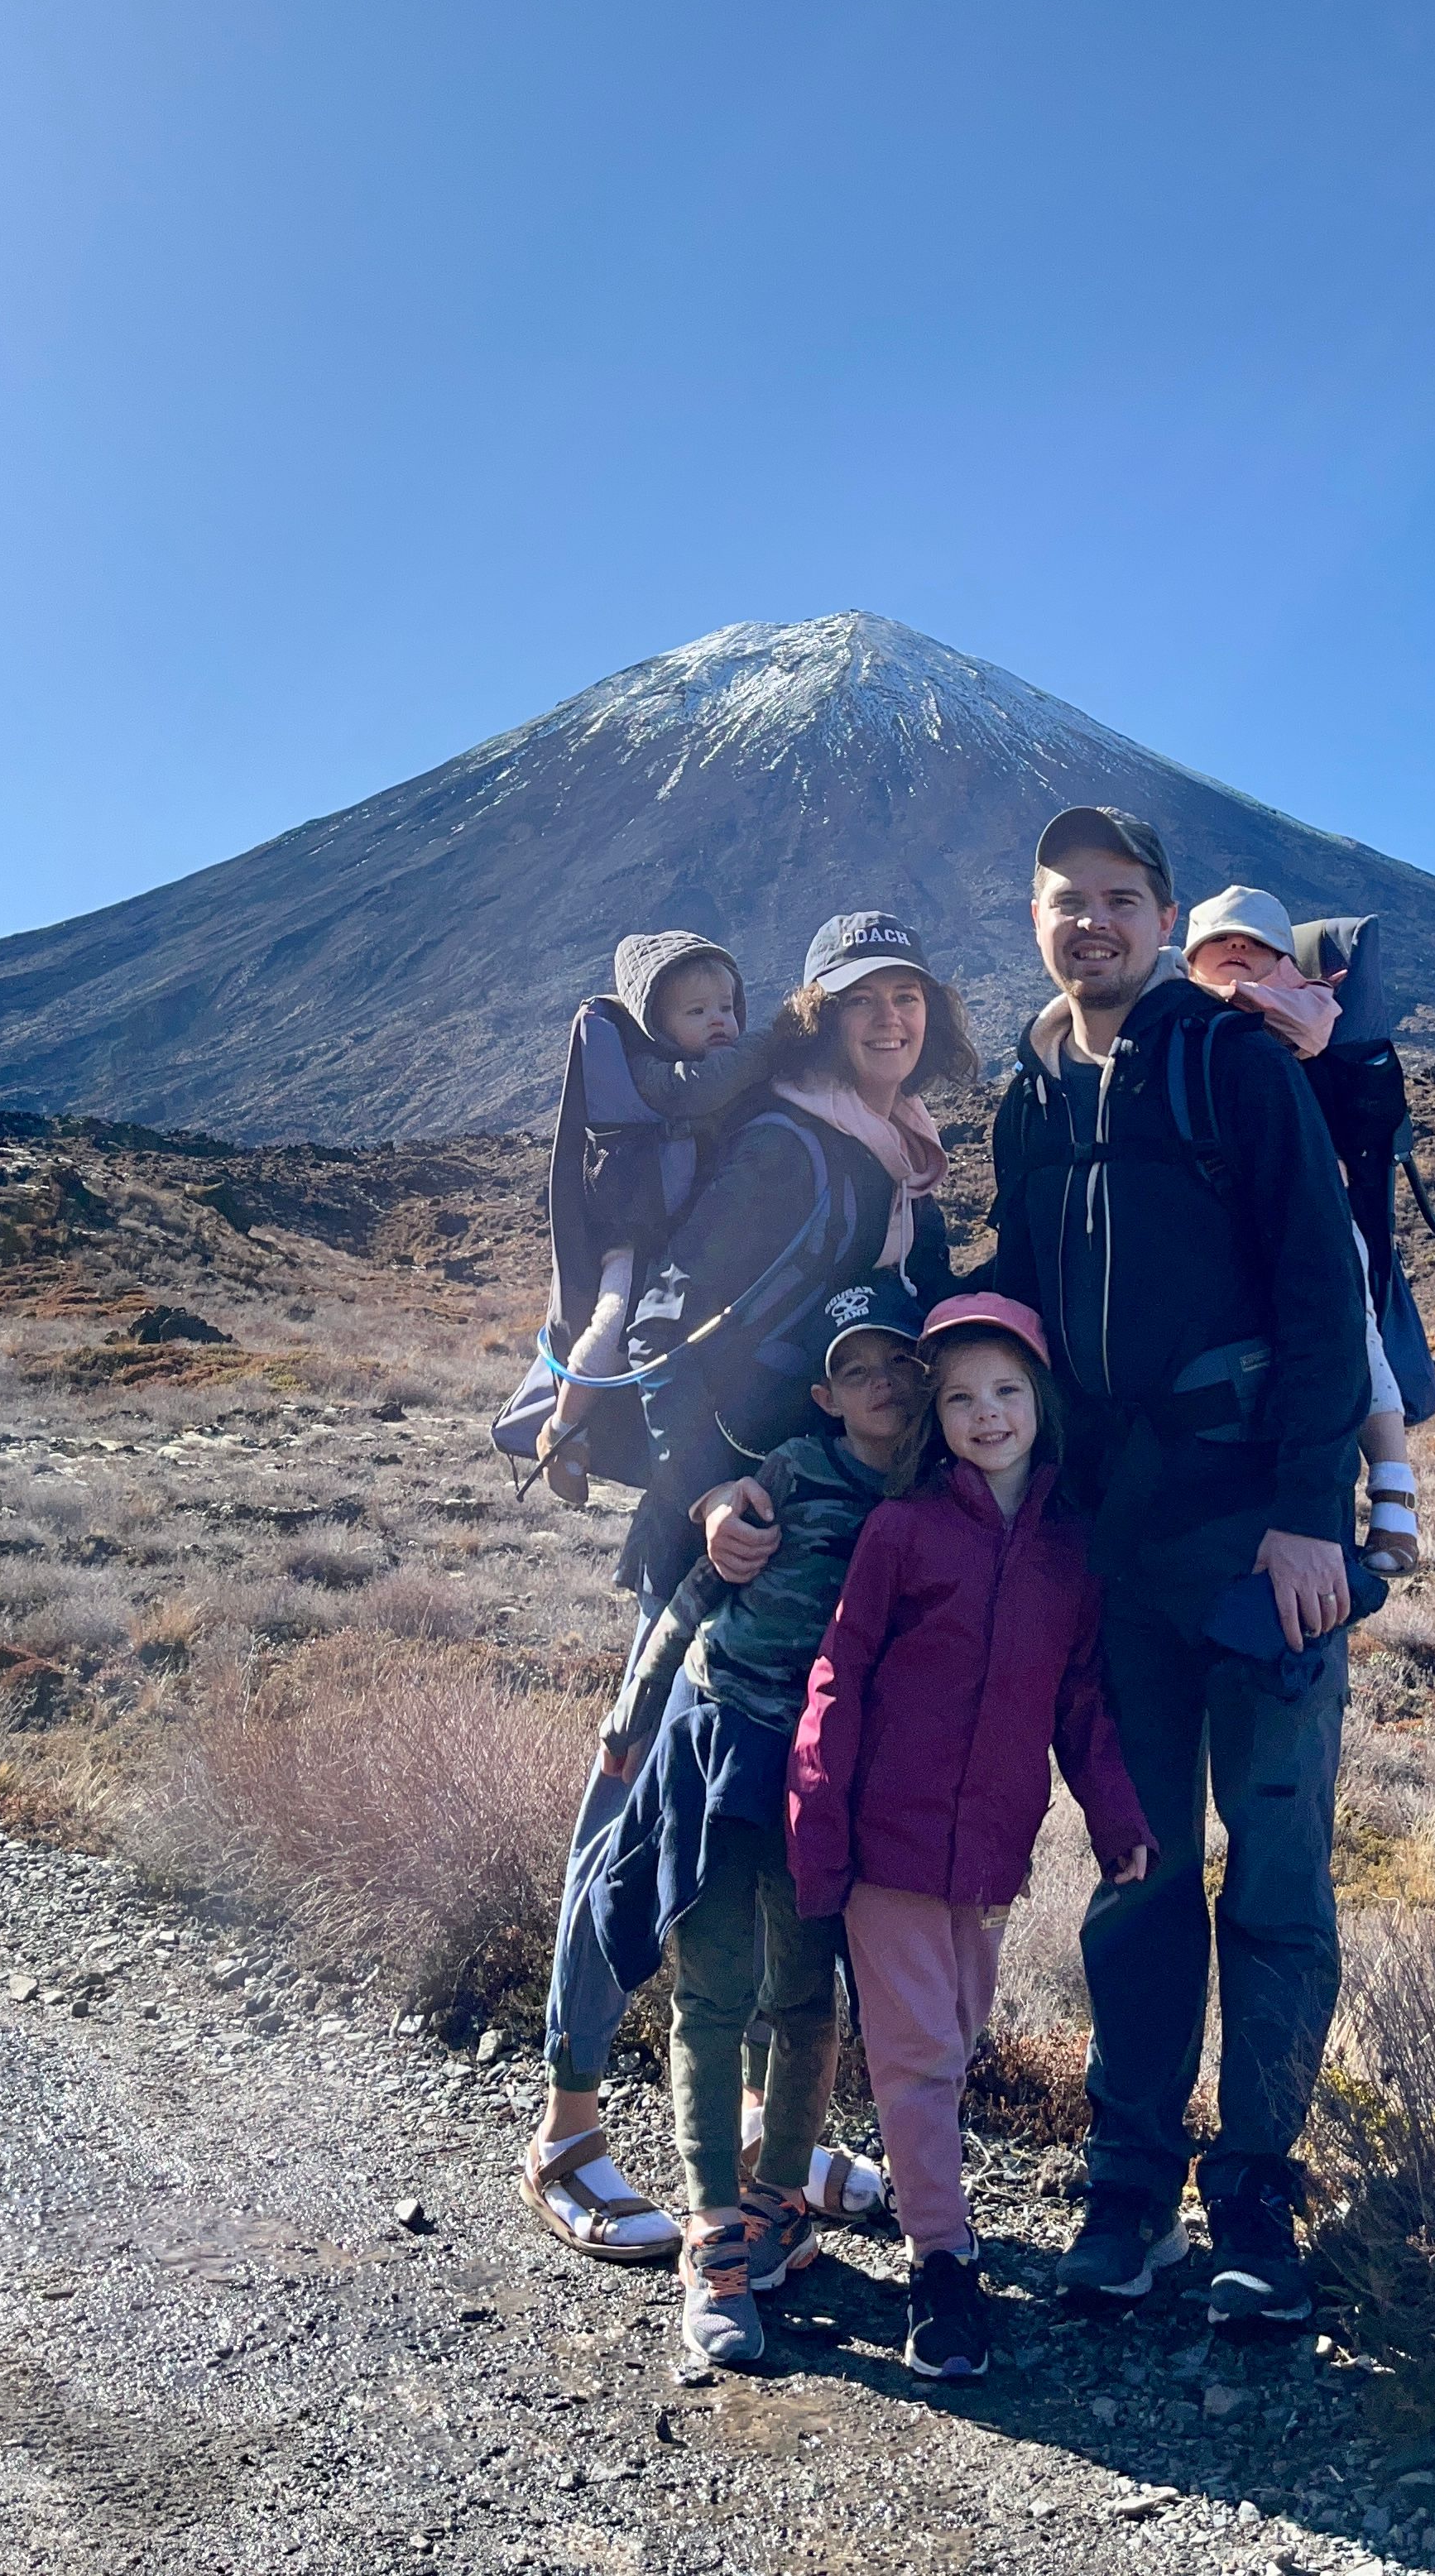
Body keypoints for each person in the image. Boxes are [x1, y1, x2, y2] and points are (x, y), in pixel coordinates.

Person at [521, 909, 975, 2265]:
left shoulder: (892, 1160)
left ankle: (784, 2144)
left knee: (786, 1848)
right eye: (861, 999)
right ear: (818, 1014)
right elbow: (666, 1319)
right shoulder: (788, 1143)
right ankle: (564, 2130)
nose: (889, 1017)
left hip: (815, 1554)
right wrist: (710, 1487)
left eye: (907, 995)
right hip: (724, 1537)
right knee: (640, 1815)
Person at [988, 809, 1374, 2324]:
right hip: (1111, 1551)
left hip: (1256, 1542)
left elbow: (1315, 1289)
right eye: (1064, 902)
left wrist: (1305, 1512)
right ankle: (1128, 2184)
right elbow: (1010, 1303)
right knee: (1138, 1869)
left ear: (1159, 920)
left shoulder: (1229, 1065)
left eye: (1118, 900)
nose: (1091, 924)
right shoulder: (1027, 1093)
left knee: (1272, 1877)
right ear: (1035, 920)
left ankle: (1257, 2199)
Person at [789, 1294, 1151, 2383]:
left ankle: (922, 2201)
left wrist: (1115, 1814)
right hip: (889, 1845)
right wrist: (818, 1818)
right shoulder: (903, 1533)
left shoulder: (1068, 1550)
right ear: (934, 1417)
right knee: (920, 2058)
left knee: (953, 2045)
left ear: (1039, 1400)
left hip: (992, 1850)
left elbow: (1082, 1700)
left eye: (1005, 1392)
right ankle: (942, 2268)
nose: (985, 1415)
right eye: (959, 1398)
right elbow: (839, 1674)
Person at [587, 1278, 930, 2369]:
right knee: (714, 1992)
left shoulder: (933, 1497)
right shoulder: (787, 1478)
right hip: (730, 1746)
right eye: (859, 1368)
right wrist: (637, 1709)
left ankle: (781, 2201)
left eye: (900, 1364)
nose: (884, 1383)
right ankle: (715, 2241)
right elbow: (694, 1589)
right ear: (826, 1396)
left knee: (806, 1998)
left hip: (837, 1778)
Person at [1182, 890, 1420, 1576]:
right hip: (1217, 1216)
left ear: (1284, 959)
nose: (1234, 950)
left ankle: (1394, 1487)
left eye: (1252, 944)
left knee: (1351, 1320)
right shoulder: (1166, 1025)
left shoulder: (1304, 1012)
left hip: (1308, 1208)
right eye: (1217, 943)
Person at [533, 932, 757, 1507]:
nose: (720, 1022)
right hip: (635, 1242)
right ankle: (562, 1428)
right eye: (697, 1011)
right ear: (657, 1022)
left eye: (728, 1009)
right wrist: (778, 1045)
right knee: (614, 1323)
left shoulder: (721, 1071)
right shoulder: (653, 1073)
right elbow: (699, 1091)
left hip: (687, 1239)